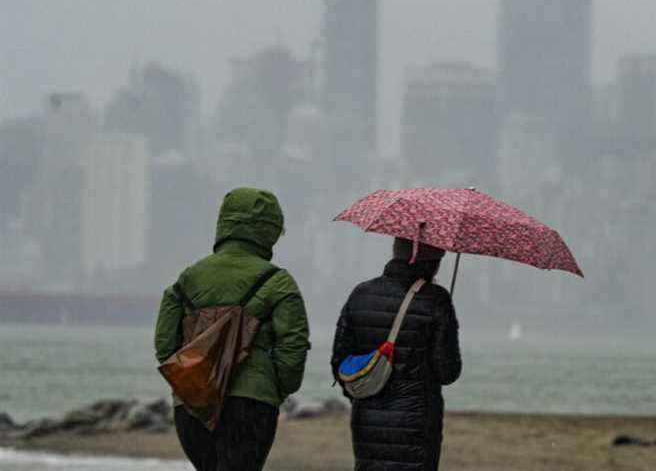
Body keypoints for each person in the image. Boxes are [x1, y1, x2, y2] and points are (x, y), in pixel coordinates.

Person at [154, 187, 310, 471]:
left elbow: (165, 345)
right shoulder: (278, 282)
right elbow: (294, 347)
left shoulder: (187, 279)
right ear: (270, 231)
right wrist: (275, 388)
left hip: (192, 404)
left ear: (223, 224)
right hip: (252, 402)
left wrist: (190, 384)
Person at [331, 237, 462, 471]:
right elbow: (447, 372)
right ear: (431, 262)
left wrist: (366, 392)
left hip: (366, 419)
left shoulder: (360, 293)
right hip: (416, 421)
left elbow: (340, 362)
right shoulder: (436, 299)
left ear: (396, 252)